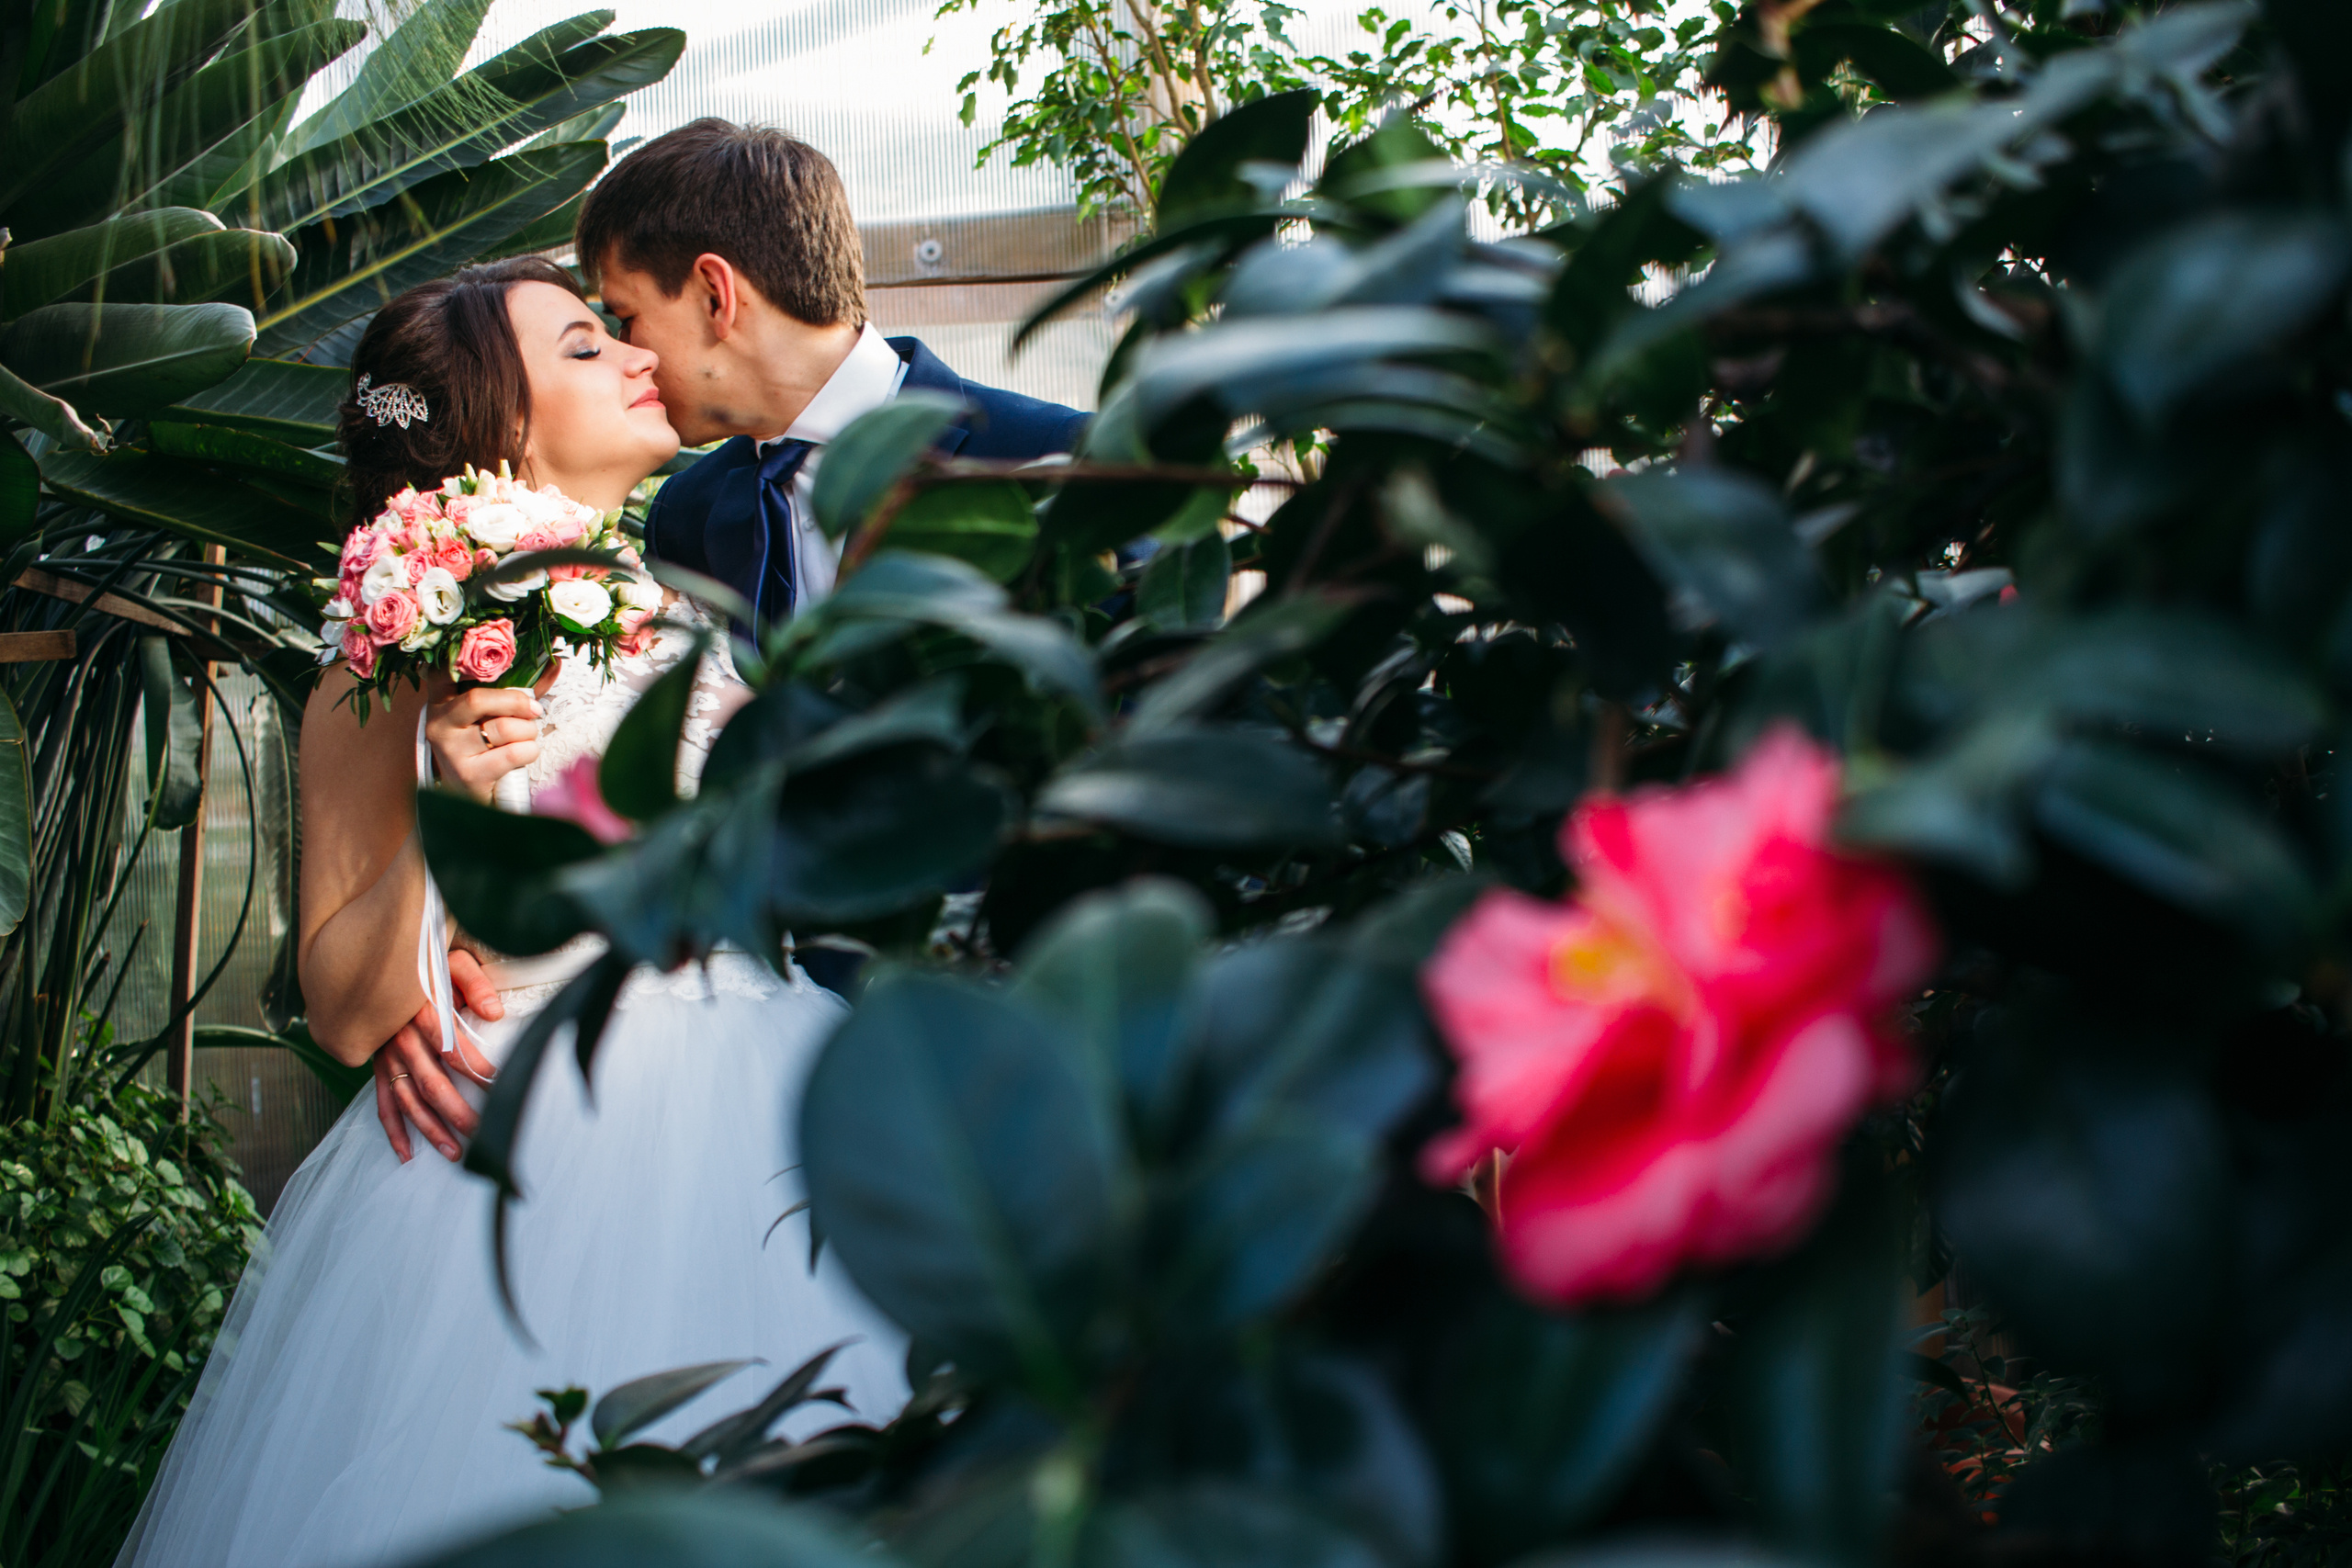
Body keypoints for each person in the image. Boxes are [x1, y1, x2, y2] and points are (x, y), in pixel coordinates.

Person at [115, 259, 907, 1568]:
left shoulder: (676, 607)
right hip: (540, 1151)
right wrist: (449, 822)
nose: (636, 358)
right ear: (503, 424)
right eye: (589, 348)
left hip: (770, 1104)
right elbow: (352, 1006)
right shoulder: (389, 659)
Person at [368, 120, 1093, 1157]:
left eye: (622, 316)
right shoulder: (681, 514)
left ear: (715, 294)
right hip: (761, 1077)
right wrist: (427, 977)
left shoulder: (1054, 468)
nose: (623, 353)